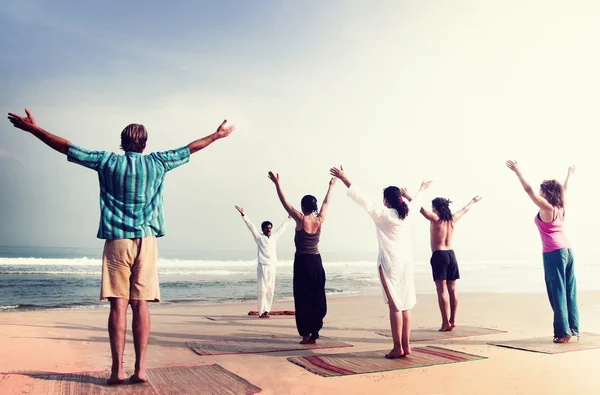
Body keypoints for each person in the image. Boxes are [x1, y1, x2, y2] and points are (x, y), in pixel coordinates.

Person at [7, 108, 235, 384]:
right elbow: (189, 148)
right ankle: (139, 370)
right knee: (141, 305)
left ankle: (117, 371)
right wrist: (216, 135)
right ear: (145, 143)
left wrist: (34, 130)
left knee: (118, 306)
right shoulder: (158, 162)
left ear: (122, 141)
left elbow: (67, 148)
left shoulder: (107, 162)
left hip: (117, 241)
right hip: (147, 241)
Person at [330, 165, 430, 359]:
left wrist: (344, 177)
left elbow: (362, 198)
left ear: (386, 200)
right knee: (406, 305)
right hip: (407, 263)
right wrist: (422, 189)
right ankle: (406, 346)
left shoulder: (382, 214)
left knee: (395, 306)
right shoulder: (406, 213)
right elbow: (417, 202)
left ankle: (397, 347)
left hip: (390, 263)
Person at [506, 160, 578, 343]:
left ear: (546, 193)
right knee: (569, 291)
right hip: (567, 251)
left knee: (557, 291)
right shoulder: (561, 207)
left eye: (541, 191)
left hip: (554, 252)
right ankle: (573, 328)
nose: (539, 193)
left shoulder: (547, 208)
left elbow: (528, 190)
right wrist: (569, 174)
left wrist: (518, 172)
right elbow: (565, 189)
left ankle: (563, 333)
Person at [267, 171, 336, 344]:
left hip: (303, 262)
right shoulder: (320, 220)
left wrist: (277, 184)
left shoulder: (300, 219)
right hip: (317, 262)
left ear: (303, 206)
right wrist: (331, 186)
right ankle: (314, 331)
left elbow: (285, 203)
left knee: (303, 297)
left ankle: (306, 335)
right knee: (317, 296)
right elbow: (327, 202)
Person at [419, 195, 482, 332]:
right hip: (451, 255)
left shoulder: (435, 218)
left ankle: (445, 322)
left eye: (433, 207)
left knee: (441, 290)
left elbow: (421, 209)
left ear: (435, 208)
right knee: (452, 290)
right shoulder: (452, 219)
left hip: (439, 255)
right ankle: (452, 320)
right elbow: (465, 209)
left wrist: (408, 196)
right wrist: (473, 200)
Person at [234, 205, 291, 318]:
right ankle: (261, 312)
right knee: (262, 290)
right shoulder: (259, 237)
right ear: (263, 229)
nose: (269, 230)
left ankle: (267, 311)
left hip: (272, 266)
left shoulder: (274, 237)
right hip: (262, 266)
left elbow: (282, 228)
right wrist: (243, 214)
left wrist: (289, 218)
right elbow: (251, 226)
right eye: (267, 228)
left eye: (270, 228)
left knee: (270, 290)